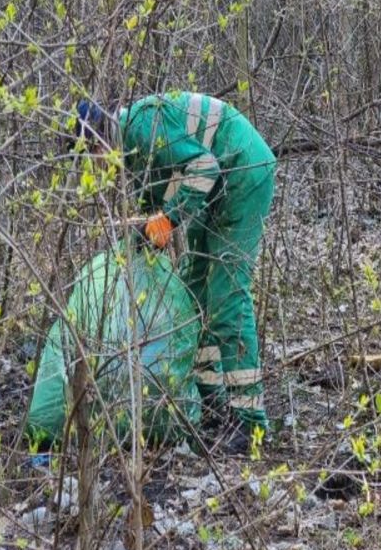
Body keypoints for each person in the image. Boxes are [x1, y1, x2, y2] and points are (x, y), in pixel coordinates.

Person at [74, 92, 276, 451]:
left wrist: (169, 218)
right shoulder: (133, 149)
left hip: (244, 173)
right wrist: (143, 235)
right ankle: (213, 402)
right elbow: (154, 195)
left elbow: (203, 167)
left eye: (91, 156)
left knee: (227, 296)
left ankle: (249, 423)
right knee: (195, 293)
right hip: (219, 189)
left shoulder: (140, 126)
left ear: (99, 138)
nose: (96, 167)